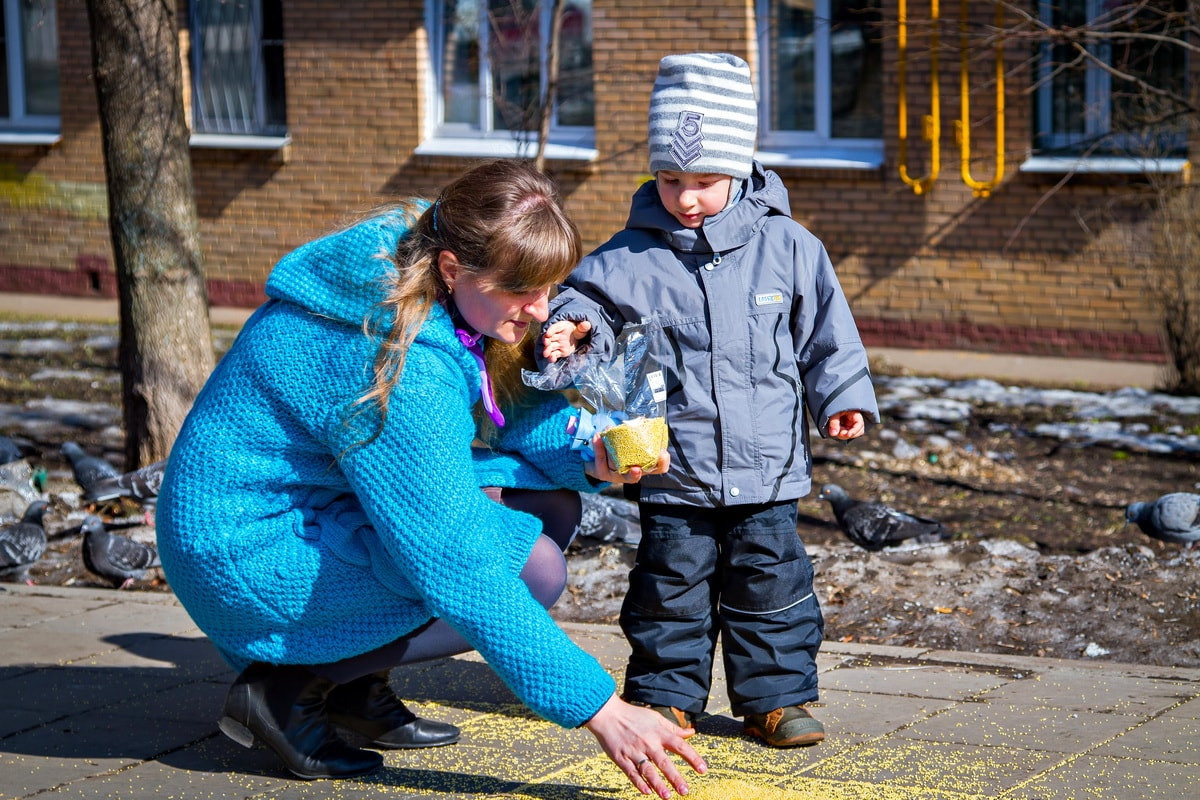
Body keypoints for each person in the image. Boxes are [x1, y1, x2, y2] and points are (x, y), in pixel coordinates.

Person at [156, 159, 706, 796]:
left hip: (309, 509)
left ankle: (352, 688)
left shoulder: (438, 266)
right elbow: (454, 562)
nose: (540, 311)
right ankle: (284, 690)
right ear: (451, 268)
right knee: (534, 568)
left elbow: (513, 408)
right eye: (522, 291)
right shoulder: (397, 359)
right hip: (243, 553)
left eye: (550, 288)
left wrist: (591, 456)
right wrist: (602, 710)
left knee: (549, 503)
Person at [537, 54, 881, 748]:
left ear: (740, 169)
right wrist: (572, 327)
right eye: (670, 180)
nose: (686, 198)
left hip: (768, 468)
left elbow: (827, 334)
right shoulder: (629, 256)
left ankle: (777, 701)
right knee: (670, 587)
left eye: (704, 182)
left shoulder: (790, 247)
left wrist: (840, 397)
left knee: (772, 585)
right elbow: (585, 302)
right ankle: (665, 698)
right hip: (675, 469)